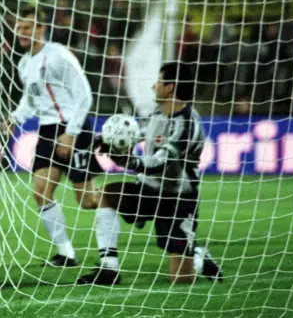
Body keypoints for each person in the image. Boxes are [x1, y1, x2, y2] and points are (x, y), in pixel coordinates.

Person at [76, 62, 223, 285]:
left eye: (159, 82)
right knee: (107, 194)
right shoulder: (158, 112)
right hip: (148, 189)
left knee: (181, 279)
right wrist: (104, 139)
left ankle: (199, 257)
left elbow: (160, 162)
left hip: (178, 199)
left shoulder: (186, 123)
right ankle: (109, 269)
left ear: (170, 87)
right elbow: (137, 133)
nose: (154, 86)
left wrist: (129, 160)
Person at [2, 7, 102, 268]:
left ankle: (138, 201)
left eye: (27, 27)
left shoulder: (58, 56)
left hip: (73, 129)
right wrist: (14, 118)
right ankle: (66, 253)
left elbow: (85, 95)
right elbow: (30, 101)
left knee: (88, 201)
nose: (21, 32)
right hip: (48, 130)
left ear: (41, 29)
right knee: (41, 191)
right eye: (19, 27)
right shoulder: (25, 63)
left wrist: (71, 133)